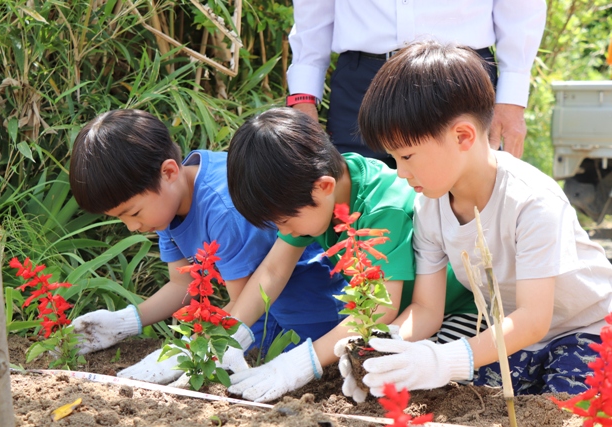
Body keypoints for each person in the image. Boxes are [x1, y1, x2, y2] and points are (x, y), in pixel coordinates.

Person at [353, 40, 612, 397]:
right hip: (512, 332)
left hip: (587, 328)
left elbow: (533, 318)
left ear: (462, 136)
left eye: (407, 156)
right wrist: (381, 346)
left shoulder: (532, 201)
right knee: (471, 396)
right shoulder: (429, 206)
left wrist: (444, 360)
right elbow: (427, 310)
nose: (400, 173)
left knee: (565, 405)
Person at [67, 109, 348, 385]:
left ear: (168, 172)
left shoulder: (223, 209)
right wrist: (125, 322)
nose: (132, 227)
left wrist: (192, 350)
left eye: (134, 213)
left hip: (298, 300)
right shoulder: (167, 203)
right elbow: (181, 284)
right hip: (256, 302)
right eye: (121, 218)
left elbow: (246, 305)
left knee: (259, 368)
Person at [224, 107, 482, 403]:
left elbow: (379, 308)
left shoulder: (383, 207)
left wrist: (298, 364)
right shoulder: (325, 190)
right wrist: (227, 337)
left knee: (432, 385)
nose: (287, 230)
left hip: (456, 311)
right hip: (399, 319)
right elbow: (273, 271)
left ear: (323, 188)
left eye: (284, 221)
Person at [285, 0, 547, 165]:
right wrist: (303, 100)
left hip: (457, 78)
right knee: (357, 206)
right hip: (361, 82)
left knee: (463, 209)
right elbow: (312, 16)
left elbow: (522, 9)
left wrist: (511, 99)